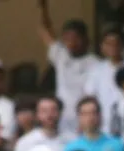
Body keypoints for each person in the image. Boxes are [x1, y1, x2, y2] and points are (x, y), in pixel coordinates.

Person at [37, 2, 99, 134]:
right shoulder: (61, 55)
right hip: (62, 119)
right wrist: (43, 9)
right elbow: (45, 31)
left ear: (85, 39)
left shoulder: (95, 63)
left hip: (85, 119)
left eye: (76, 38)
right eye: (67, 38)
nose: (71, 42)